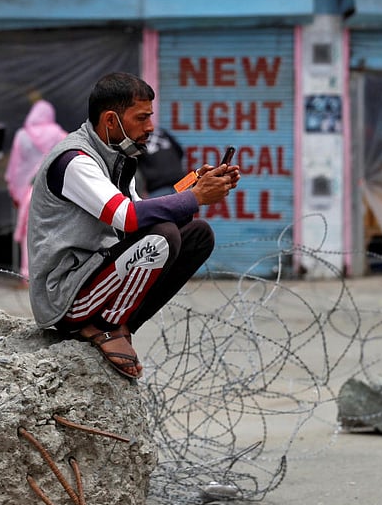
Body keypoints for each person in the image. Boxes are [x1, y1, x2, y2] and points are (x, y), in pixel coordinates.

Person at [26, 72, 240, 379]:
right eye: (141, 118)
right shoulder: (75, 160)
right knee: (161, 238)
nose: (150, 127)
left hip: (95, 280)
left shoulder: (114, 157)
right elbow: (126, 217)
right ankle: (106, 327)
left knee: (197, 236)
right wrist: (195, 197)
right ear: (111, 120)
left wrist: (194, 185)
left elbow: (138, 217)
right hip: (65, 298)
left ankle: (121, 324)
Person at [4, 99, 67, 282]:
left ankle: (28, 275)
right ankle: (54, 274)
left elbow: (15, 168)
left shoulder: (22, 136)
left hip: (29, 192)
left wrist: (15, 191)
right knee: (55, 231)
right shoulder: (59, 134)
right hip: (53, 191)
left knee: (29, 234)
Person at [136, 127, 185, 198]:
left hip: (158, 187)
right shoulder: (161, 131)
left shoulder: (135, 139)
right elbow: (180, 151)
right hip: (181, 183)